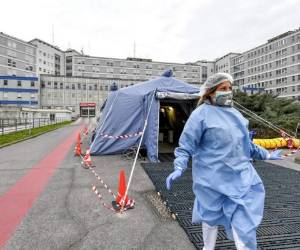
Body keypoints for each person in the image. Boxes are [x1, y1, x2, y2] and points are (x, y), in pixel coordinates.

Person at [166, 73, 282, 250]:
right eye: (223, 89)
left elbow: (246, 145)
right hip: (211, 179)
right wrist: (179, 166)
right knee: (210, 219)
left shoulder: (236, 114)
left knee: (243, 222)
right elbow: (186, 146)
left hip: (240, 178)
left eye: (230, 89)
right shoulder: (200, 115)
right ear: (211, 92)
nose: (228, 92)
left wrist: (266, 154)